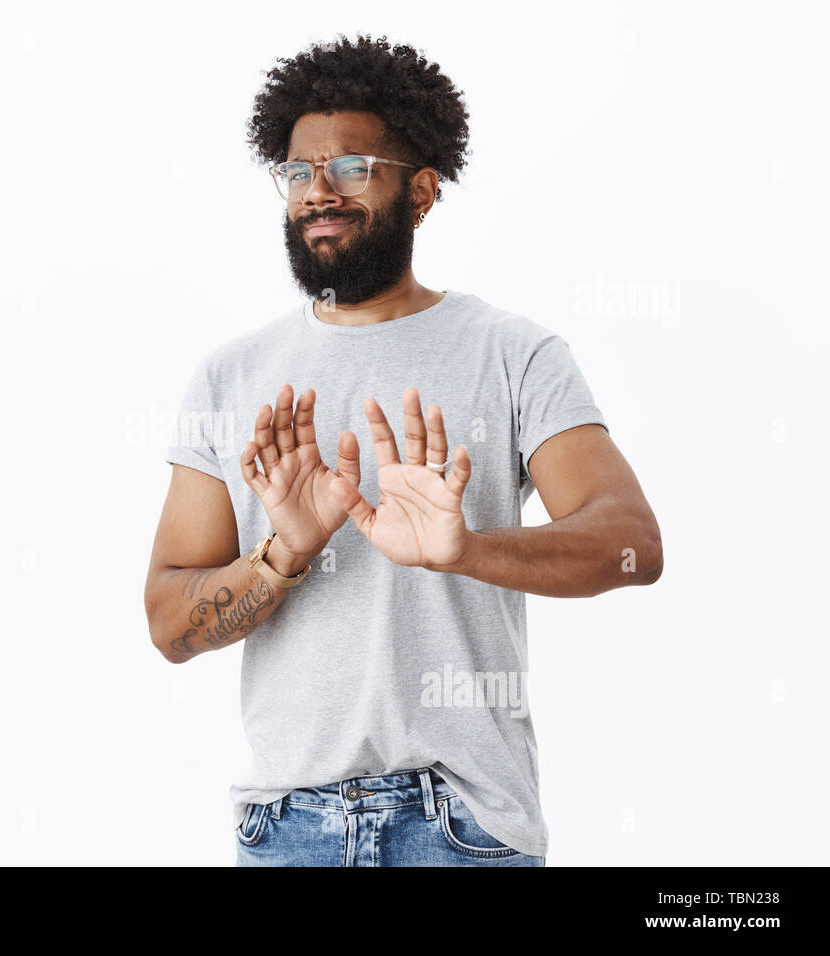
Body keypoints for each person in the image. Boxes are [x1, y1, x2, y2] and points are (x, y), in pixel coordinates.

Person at [143, 34, 663, 867]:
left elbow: (632, 546)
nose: (318, 192)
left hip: (461, 825)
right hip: (285, 831)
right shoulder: (231, 376)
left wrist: (467, 551)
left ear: (420, 191)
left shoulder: (513, 353)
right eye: (299, 172)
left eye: (351, 167)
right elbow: (169, 625)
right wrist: (284, 554)